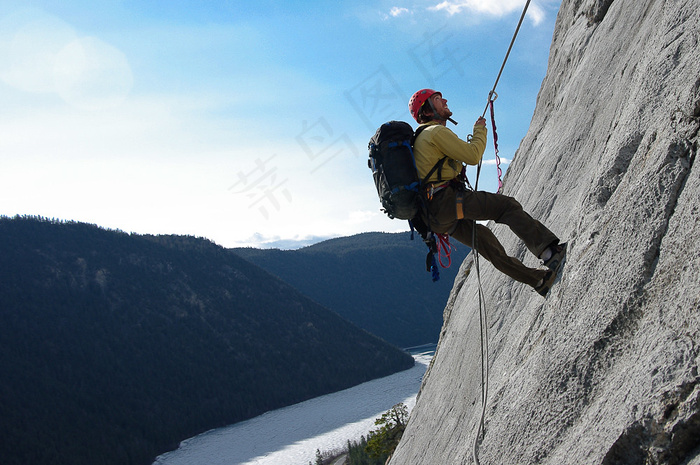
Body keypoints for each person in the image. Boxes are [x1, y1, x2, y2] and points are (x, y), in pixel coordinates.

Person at [409, 88, 566, 296]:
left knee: (486, 242)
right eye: (437, 99)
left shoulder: (420, 138)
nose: (445, 100)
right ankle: (550, 253)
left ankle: (539, 281)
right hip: (445, 200)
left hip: (433, 216)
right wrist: (479, 131)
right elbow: (473, 156)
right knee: (505, 207)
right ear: (427, 111)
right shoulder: (435, 132)